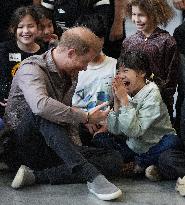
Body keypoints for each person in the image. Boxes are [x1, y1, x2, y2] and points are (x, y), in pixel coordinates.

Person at [2, 27, 123, 201]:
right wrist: (86, 117)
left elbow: (65, 116)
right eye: (85, 61)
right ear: (72, 53)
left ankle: (36, 176)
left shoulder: (70, 74)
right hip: (23, 149)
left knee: (114, 159)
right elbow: (41, 107)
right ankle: (91, 175)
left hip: (54, 146)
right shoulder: (32, 68)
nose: (85, 68)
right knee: (44, 111)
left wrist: (73, 148)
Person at [91, 51, 182, 181]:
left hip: (155, 145)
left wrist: (124, 101)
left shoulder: (152, 94)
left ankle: (138, 164)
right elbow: (115, 130)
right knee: (100, 138)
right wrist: (117, 104)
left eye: (125, 71)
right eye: (118, 72)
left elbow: (134, 131)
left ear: (141, 73)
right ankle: (145, 165)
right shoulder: (126, 92)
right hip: (134, 146)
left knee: (172, 142)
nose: (120, 76)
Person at [121, 0, 178, 122]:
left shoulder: (167, 42)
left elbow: (171, 77)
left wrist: (162, 99)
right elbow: (123, 71)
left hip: (158, 103)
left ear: (154, 14)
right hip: (133, 101)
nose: (136, 19)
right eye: (134, 14)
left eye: (141, 15)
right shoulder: (129, 42)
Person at [72, 14, 117, 145]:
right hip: (78, 122)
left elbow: (120, 103)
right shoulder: (72, 67)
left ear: (102, 39)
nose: (90, 46)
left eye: (95, 40)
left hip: (106, 124)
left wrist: (107, 125)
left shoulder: (115, 66)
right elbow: (65, 103)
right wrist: (84, 120)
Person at [0, 6, 45, 119]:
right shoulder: (4, 49)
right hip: (5, 105)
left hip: (34, 107)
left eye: (30, 26)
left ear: (38, 27)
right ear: (13, 29)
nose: (25, 31)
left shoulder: (45, 52)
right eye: (20, 27)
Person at [41, 0, 127, 59]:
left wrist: (118, 23)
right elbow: (44, 17)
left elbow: (101, 22)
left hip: (90, 41)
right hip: (63, 42)